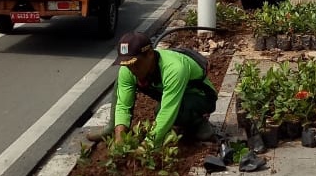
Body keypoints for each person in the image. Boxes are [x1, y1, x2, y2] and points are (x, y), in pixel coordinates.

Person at [86, 31, 218, 145]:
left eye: (135, 64)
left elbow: (168, 110)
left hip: (200, 96)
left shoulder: (174, 69)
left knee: (162, 111)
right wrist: (120, 137)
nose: (131, 69)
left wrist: (148, 144)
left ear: (149, 54)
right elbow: (123, 105)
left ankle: (198, 123)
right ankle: (112, 128)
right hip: (169, 92)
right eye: (127, 64)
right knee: (121, 82)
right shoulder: (129, 69)